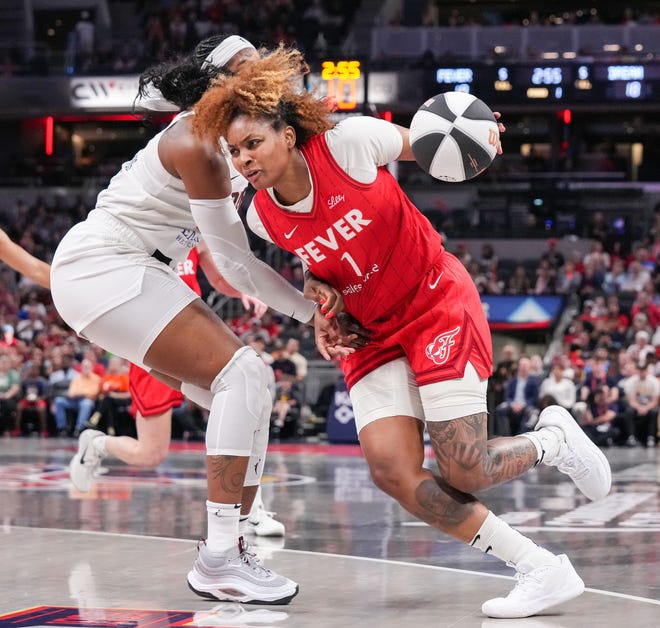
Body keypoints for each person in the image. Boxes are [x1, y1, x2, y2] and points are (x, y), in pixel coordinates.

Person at [192, 46, 612, 619]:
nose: (243, 159)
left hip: (434, 302)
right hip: (369, 332)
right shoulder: (263, 215)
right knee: (391, 469)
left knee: (466, 468)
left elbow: (430, 140)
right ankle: (540, 568)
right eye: (236, 151)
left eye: (253, 144)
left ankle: (552, 442)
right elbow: (324, 260)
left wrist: (480, 131)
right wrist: (320, 295)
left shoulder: (351, 142)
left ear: (287, 135)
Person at [49, 35, 356, 605]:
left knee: (247, 391)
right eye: (247, 70)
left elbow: (235, 250)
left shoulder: (242, 144)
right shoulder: (198, 141)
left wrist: (312, 273)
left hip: (142, 270)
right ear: (218, 85)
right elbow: (237, 265)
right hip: (105, 264)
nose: (263, 77)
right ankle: (218, 556)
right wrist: (310, 310)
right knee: (244, 375)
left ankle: (232, 546)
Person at [494, 356, 540, 436]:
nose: (523, 368)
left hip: (526, 405)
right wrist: (512, 404)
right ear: (519, 367)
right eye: (522, 365)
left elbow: (534, 398)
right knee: (499, 410)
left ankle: (521, 437)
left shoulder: (534, 381)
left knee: (530, 413)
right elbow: (507, 396)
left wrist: (523, 405)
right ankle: (505, 436)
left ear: (529, 367)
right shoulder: (513, 380)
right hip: (512, 404)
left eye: (525, 366)